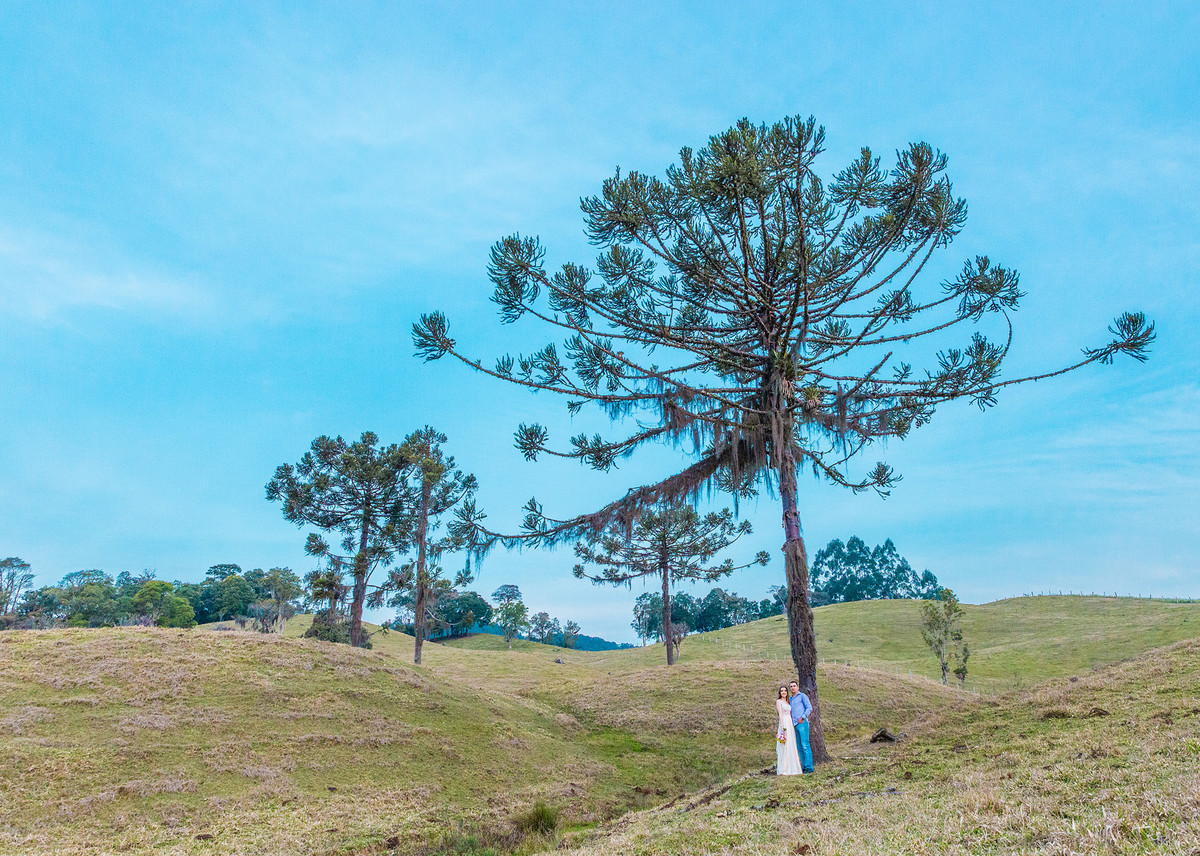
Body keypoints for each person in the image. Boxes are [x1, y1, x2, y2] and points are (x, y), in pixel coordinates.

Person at [774, 686, 803, 775]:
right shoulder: (779, 702)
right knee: (784, 744)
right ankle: (784, 768)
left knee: (791, 743)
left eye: (785, 691)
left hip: (790, 722)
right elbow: (780, 714)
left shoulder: (788, 701)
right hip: (784, 722)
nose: (783, 692)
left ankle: (792, 766)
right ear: (780, 693)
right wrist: (782, 726)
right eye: (782, 691)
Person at [788, 680, 815, 774]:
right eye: (791, 686)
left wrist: (803, 717)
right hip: (794, 725)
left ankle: (809, 767)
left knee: (805, 745)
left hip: (802, 723)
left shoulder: (802, 696)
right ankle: (803, 767)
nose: (792, 688)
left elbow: (809, 707)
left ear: (797, 687)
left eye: (794, 686)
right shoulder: (790, 699)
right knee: (799, 746)